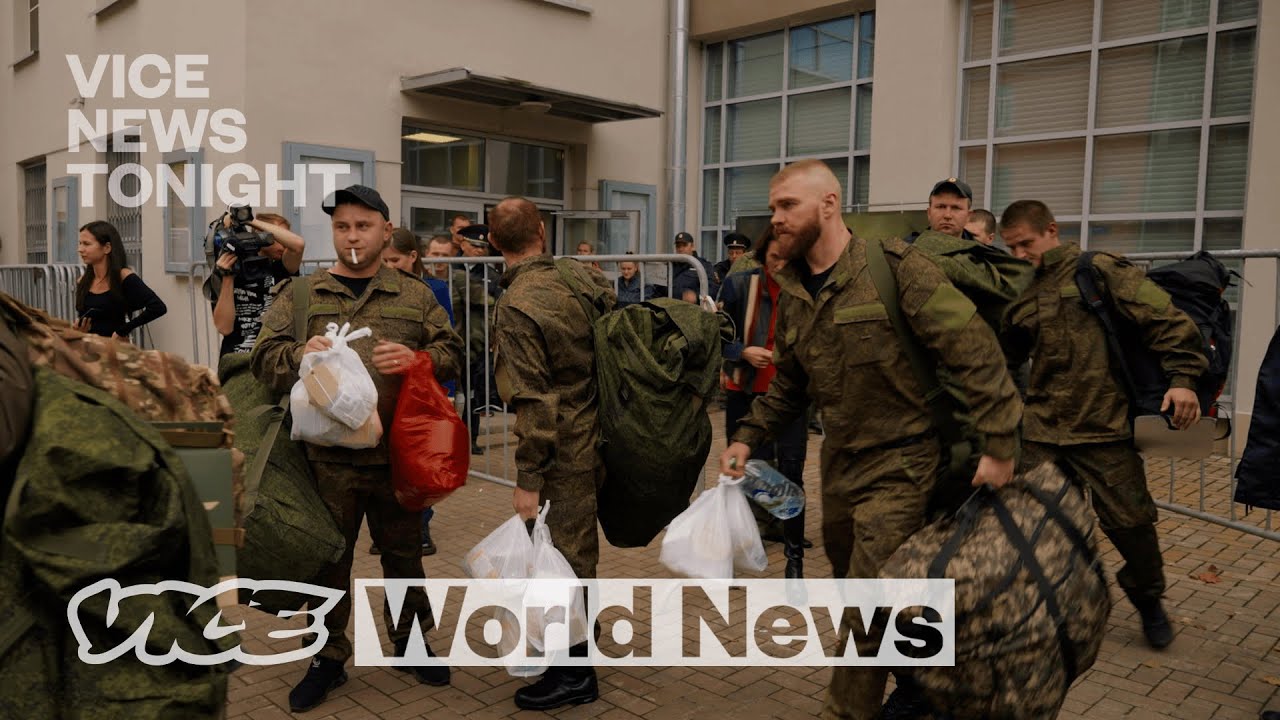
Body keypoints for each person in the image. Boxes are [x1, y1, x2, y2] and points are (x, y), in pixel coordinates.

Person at [718, 160, 1022, 719]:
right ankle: (926, 679)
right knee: (861, 583)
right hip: (841, 464)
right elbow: (791, 383)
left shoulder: (896, 269)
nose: (775, 218)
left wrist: (1000, 446)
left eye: (788, 205)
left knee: (867, 600)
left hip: (906, 461)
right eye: (774, 206)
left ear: (829, 204)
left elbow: (975, 352)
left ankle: (849, 709)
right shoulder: (795, 288)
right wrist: (747, 437)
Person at [251, 184, 463, 713]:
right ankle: (327, 657)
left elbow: (455, 353)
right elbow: (263, 358)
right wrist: (300, 354)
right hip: (327, 462)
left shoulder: (415, 295)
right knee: (331, 563)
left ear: (386, 232)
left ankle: (410, 642)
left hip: (397, 458)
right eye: (342, 226)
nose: (352, 236)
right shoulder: (303, 293)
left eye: (363, 226)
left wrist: (418, 359)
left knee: (404, 557)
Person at [999, 199, 1207, 650]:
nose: (1019, 255)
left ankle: (1148, 599)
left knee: (1133, 527)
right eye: (1011, 247)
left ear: (1051, 230)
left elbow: (1167, 322)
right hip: (1042, 434)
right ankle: (1056, 605)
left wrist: (1183, 380)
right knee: (1037, 528)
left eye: (1026, 244)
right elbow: (1005, 356)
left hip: (1104, 429)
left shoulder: (1097, 270)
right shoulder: (1020, 289)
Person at [489, 196, 616, 711]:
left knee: (562, 561)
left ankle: (576, 674)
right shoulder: (580, 277)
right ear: (541, 231)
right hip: (598, 434)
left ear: (493, 242)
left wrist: (528, 478)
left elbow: (535, 401)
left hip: (562, 452)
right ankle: (571, 655)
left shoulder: (518, 304)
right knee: (575, 557)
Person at [717, 227, 810, 578]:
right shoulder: (739, 285)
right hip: (745, 390)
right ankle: (740, 546)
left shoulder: (806, 290)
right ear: (762, 255)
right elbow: (716, 333)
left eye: (787, 258)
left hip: (790, 395)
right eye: (774, 257)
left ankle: (794, 559)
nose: (780, 265)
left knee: (792, 471)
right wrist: (743, 351)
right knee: (742, 468)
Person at [379, 227, 457, 557]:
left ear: (413, 257)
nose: (389, 267)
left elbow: (446, 343)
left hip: (425, 387)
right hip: (390, 388)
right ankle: (386, 527)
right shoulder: (379, 289)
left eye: (395, 260)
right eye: (384, 261)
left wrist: (446, 390)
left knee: (420, 461)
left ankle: (421, 527)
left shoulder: (434, 289)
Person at [207, 211, 306, 357]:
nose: (284, 246)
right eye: (277, 239)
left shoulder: (282, 268)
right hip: (238, 360)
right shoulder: (228, 269)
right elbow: (224, 328)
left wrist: (248, 219)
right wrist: (228, 278)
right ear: (259, 236)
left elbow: (298, 244)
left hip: (274, 358)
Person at [73, 220, 167, 340]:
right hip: (90, 348)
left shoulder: (123, 276)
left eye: (86, 244)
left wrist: (123, 330)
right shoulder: (82, 281)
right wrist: (79, 331)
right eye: (80, 243)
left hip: (116, 348)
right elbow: (82, 318)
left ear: (107, 248)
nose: (80, 249)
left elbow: (158, 307)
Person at [456, 223, 502, 455]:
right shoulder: (448, 268)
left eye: (483, 247)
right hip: (452, 340)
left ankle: (470, 438)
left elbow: (497, 310)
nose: (479, 250)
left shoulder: (491, 277)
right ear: (462, 244)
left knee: (473, 394)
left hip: (477, 343)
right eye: (474, 245)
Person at [907, 178, 981, 243]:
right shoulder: (906, 250)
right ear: (929, 213)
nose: (947, 215)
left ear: (968, 216)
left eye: (956, 208)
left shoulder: (980, 253)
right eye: (941, 207)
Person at [670, 231, 720, 303]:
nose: (680, 249)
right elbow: (659, 287)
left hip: (693, 307)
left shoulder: (703, 265)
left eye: (684, 245)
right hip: (670, 305)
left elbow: (713, 289)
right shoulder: (670, 265)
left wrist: (696, 296)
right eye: (678, 246)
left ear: (692, 246)